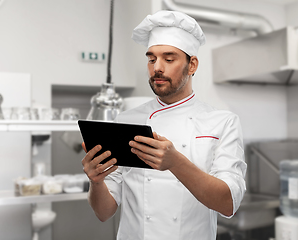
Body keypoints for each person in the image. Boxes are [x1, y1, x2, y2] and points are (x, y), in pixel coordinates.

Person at [81, 10, 247, 240]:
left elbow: (228, 204)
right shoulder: (127, 121)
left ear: (192, 65)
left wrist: (175, 162)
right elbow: (103, 212)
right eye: (151, 59)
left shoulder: (222, 122)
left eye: (169, 59)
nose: (157, 67)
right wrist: (96, 182)